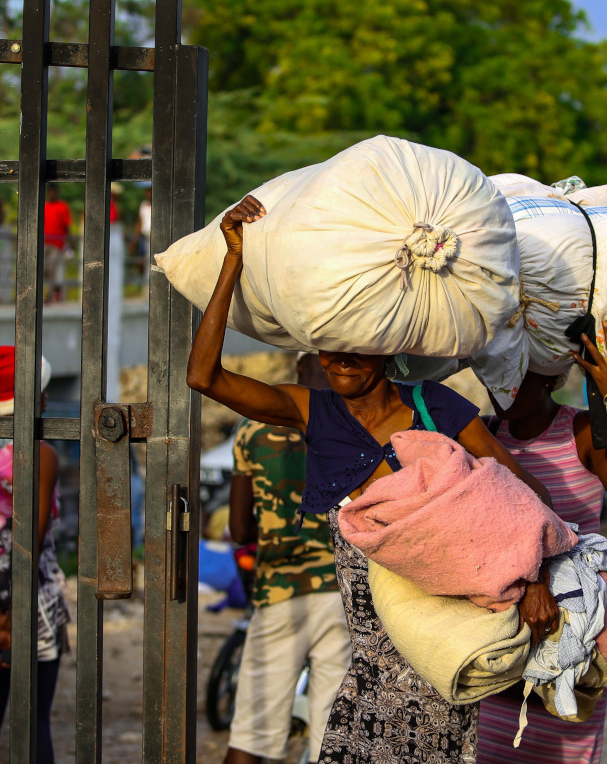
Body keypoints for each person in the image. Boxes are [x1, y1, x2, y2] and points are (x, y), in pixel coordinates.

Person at [187, 195, 556, 764]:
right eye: (328, 345)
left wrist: (534, 580)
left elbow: (530, 494)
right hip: (369, 663)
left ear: (386, 349)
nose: (338, 359)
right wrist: (232, 259)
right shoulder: (314, 412)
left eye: (355, 344)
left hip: (443, 642)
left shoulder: (435, 408)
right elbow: (203, 375)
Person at [476, 323, 607, 763]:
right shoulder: (481, 435)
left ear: (551, 376)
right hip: (501, 644)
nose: (504, 387)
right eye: (496, 374)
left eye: (518, 375)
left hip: (569, 642)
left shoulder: (579, 433)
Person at [224, 353, 352, 764]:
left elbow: (241, 531)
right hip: (344, 597)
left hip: (280, 592)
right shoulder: (354, 425)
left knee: (252, 734)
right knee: (331, 737)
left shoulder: (252, 429)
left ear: (298, 368)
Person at [0, 346, 69, 764]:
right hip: (35, 608)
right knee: (35, 722)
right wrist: (12, 620)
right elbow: (32, 541)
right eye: (41, 391)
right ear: (29, 397)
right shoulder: (41, 454)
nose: (46, 398)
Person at [43, 184, 72, 302]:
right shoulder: (44, 206)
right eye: (50, 191)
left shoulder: (62, 206)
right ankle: (54, 290)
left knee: (52, 268)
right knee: (43, 268)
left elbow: (67, 226)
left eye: (53, 191)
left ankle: (51, 295)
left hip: (57, 244)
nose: (51, 193)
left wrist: (69, 243)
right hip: (44, 243)